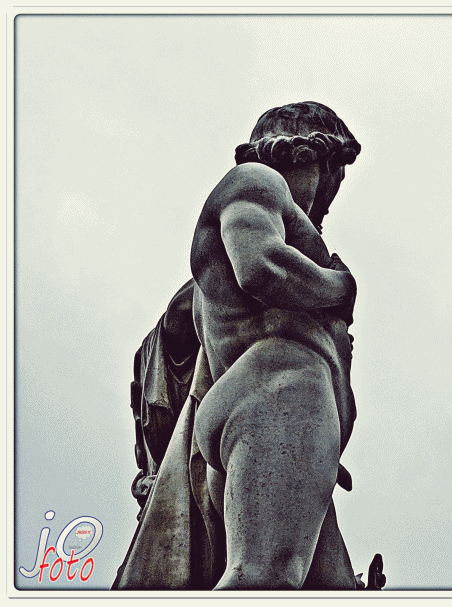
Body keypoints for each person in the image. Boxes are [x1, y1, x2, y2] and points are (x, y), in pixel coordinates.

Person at [113, 102, 379, 590]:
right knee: (263, 583)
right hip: (282, 389)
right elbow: (261, 267)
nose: (326, 202)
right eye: (333, 178)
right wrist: (341, 287)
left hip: (271, 408)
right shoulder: (256, 182)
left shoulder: (231, 257)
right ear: (311, 158)